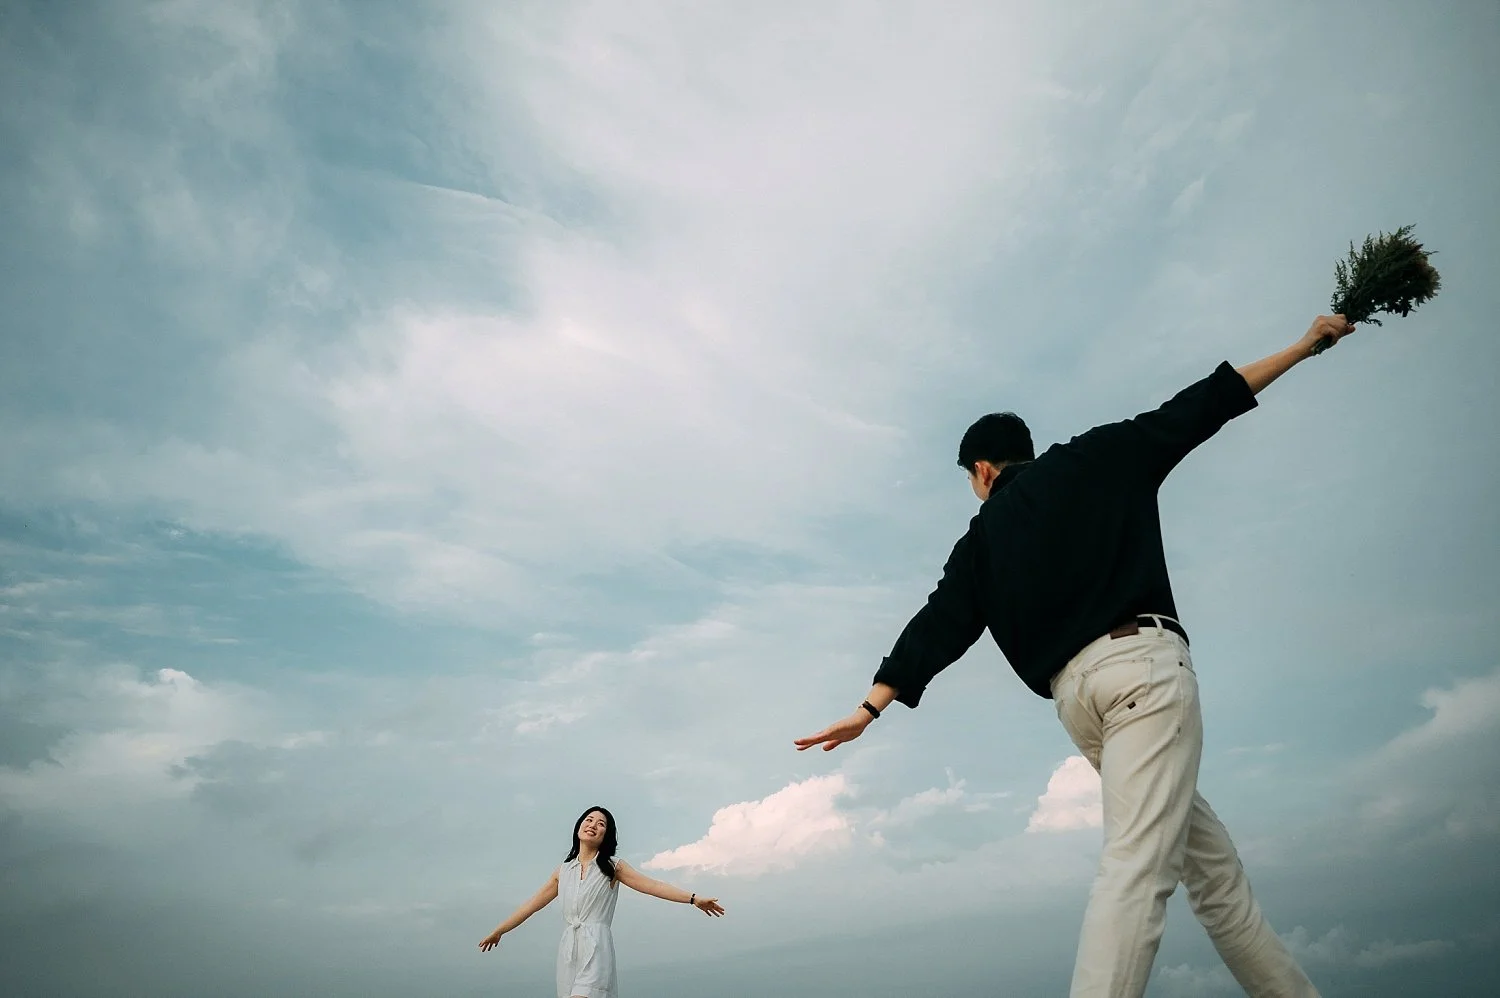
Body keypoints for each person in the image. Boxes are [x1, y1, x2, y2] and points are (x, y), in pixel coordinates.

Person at [795, 316, 1357, 997]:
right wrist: (1305, 346)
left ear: (981, 471)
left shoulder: (982, 540)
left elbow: (937, 626)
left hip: (1083, 705)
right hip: (1143, 678)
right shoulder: (1099, 455)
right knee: (1139, 870)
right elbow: (1202, 406)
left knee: (1212, 878)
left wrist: (868, 708)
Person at [478, 805, 726, 998]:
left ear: (606, 835)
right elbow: (530, 906)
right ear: (578, 827)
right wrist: (499, 931)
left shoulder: (612, 867)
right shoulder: (562, 872)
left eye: (601, 824)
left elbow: (653, 886)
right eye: (588, 820)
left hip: (596, 945)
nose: (593, 825)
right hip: (569, 949)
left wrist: (693, 899)